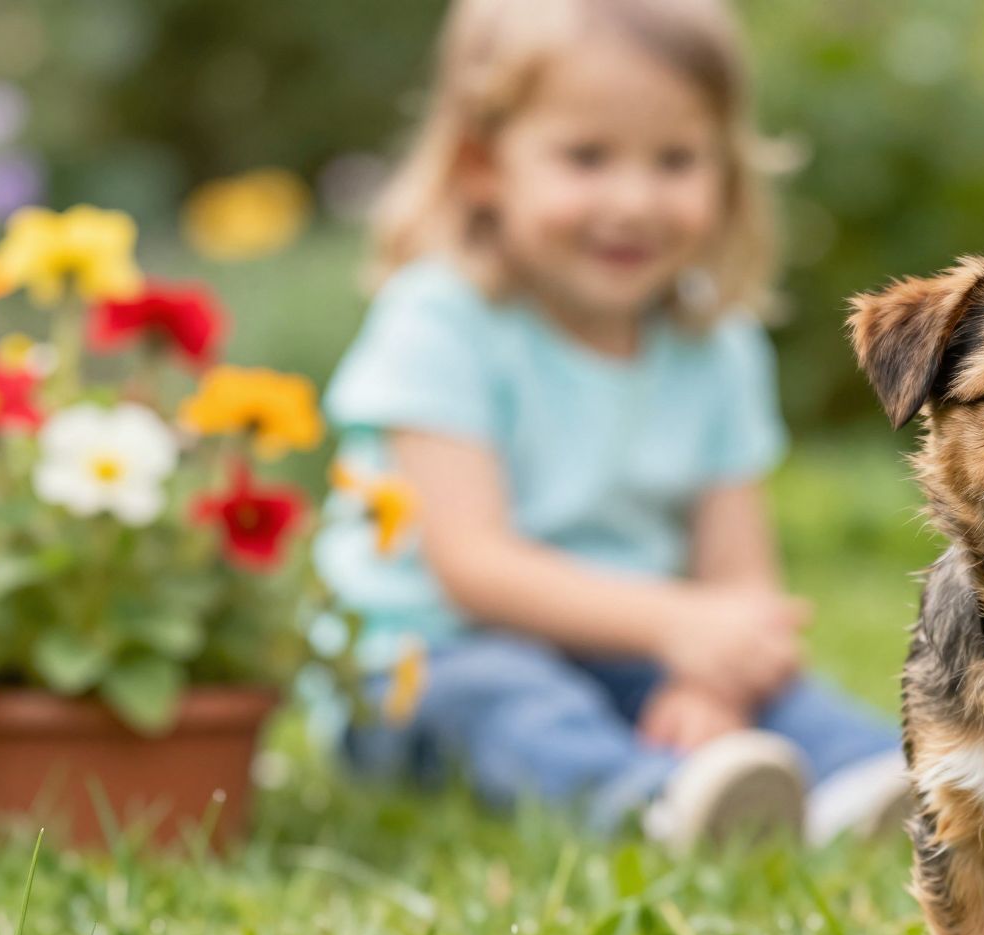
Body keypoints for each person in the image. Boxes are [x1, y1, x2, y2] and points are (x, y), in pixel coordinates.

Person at [316, 0, 907, 850]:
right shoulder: (440, 320)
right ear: (484, 164)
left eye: (675, 160)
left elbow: (740, 581)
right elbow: (471, 568)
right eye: (586, 157)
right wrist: (677, 628)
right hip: (426, 656)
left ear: (727, 171)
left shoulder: (718, 343)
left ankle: (869, 780)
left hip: (632, 650)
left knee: (786, 691)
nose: (632, 201)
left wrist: (720, 686)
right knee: (505, 698)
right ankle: (656, 800)